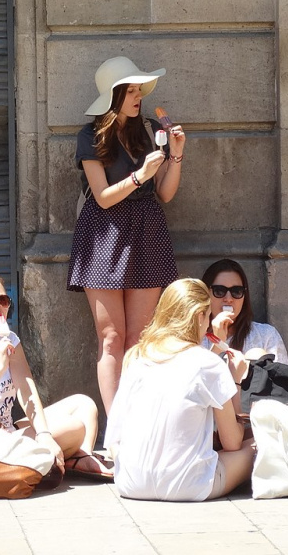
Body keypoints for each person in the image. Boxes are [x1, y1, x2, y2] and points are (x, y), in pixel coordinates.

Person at [68, 56, 185, 414]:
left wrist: (176, 157)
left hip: (147, 230)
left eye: (139, 90)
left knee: (139, 339)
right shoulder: (90, 137)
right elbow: (102, 198)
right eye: (131, 90)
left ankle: (137, 419)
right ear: (114, 95)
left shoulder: (149, 129)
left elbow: (164, 194)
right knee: (111, 338)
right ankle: (116, 426)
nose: (138, 97)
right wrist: (139, 176)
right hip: (103, 234)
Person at [0, 265, 113, 481]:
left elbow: (26, 390)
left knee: (84, 405)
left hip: (5, 432)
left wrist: (44, 434)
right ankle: (68, 456)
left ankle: (78, 458)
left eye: (3, 300)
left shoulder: (8, 339)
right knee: (73, 427)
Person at [105, 279, 255, 501]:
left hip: (129, 483)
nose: (208, 324)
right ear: (198, 317)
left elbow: (114, 438)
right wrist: (235, 381)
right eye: (207, 316)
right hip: (188, 486)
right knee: (256, 445)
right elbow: (232, 442)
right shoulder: (209, 364)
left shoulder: (136, 357)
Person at [203, 258, 288, 363]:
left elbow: (282, 378)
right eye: (219, 291)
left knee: (256, 354)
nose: (228, 299)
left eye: (236, 291)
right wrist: (218, 343)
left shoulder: (266, 335)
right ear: (206, 294)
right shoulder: (192, 340)